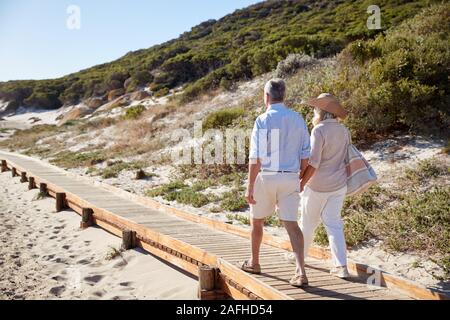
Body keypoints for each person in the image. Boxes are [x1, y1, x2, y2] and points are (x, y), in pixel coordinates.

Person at [242, 78, 311, 287]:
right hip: (290, 176)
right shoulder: (298, 118)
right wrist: (299, 176)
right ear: (284, 96)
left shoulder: (262, 120)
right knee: (292, 225)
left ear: (266, 96)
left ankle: (254, 262)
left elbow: (256, 158)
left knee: (257, 221)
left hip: (267, 175)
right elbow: (306, 155)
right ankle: (300, 272)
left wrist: (250, 186)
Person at [297, 93, 351, 278]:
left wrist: (302, 183)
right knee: (334, 224)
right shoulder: (344, 130)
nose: (314, 110)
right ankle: (341, 266)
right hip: (339, 185)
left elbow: (314, 162)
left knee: (307, 223)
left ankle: (300, 258)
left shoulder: (319, 130)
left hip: (318, 186)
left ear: (321, 111)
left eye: (315, 108)